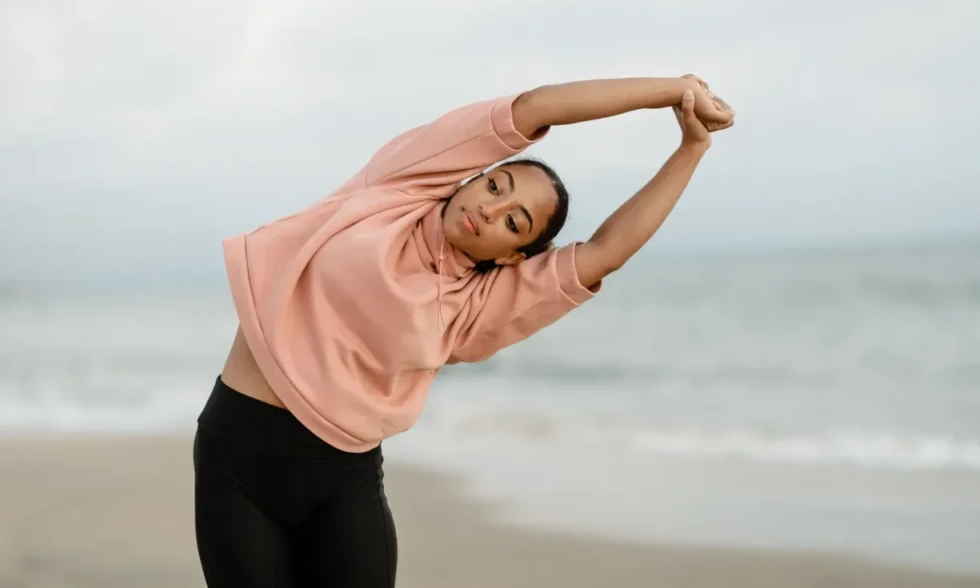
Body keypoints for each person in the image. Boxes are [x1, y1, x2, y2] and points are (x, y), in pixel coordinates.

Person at [192, 75, 735, 587]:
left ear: (514, 256)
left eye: (514, 222)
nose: (491, 209)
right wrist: (674, 90)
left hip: (342, 479)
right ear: (475, 174)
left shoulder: (479, 304)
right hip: (238, 455)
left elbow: (604, 252)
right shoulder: (399, 187)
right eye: (496, 186)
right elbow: (536, 109)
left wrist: (690, 149)